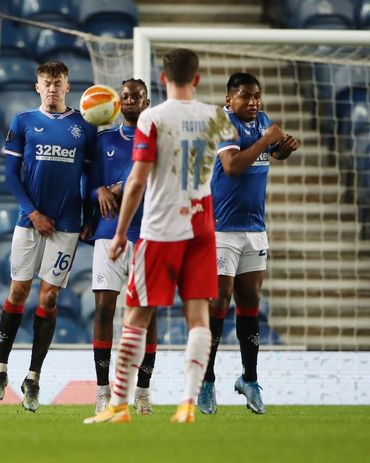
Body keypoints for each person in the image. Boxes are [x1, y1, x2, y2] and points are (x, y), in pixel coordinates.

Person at [83, 48, 239, 425]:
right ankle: (187, 403)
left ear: (163, 79)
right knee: (198, 316)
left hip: (160, 227)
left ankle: (119, 405)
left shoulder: (153, 118)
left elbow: (136, 180)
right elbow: (229, 154)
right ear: (197, 80)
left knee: (136, 314)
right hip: (202, 226)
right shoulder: (216, 116)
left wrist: (120, 232)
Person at [0, 60, 97, 412]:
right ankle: (1, 370)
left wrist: (89, 216)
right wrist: (33, 213)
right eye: (46, 83)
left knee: (48, 300)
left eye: (58, 83)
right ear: (37, 87)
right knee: (18, 290)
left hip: (65, 225)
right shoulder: (23, 122)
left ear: (67, 86)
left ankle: (33, 378)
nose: (52, 88)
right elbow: (11, 174)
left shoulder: (83, 127)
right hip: (29, 221)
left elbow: (90, 180)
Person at [198, 72, 299, 415]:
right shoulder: (220, 122)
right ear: (229, 100)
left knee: (250, 303)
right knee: (218, 303)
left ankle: (249, 380)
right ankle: (207, 380)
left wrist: (281, 149)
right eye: (245, 96)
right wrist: (268, 139)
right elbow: (232, 166)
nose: (253, 102)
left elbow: (269, 154)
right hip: (222, 229)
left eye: (257, 96)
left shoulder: (263, 122)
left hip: (255, 228)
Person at [84, 79, 158, 415]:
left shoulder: (160, 140)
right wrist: (98, 190)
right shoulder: (103, 141)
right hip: (109, 232)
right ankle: (103, 391)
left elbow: (161, 178)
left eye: (136, 97)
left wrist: (125, 184)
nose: (129, 101)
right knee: (104, 308)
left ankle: (142, 392)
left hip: (149, 234)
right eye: (124, 96)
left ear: (146, 101)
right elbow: (86, 183)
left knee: (148, 314)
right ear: (118, 102)